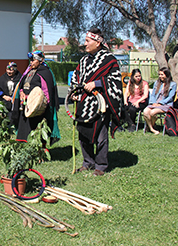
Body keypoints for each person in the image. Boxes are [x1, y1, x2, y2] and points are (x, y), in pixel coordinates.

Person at [69, 28, 123, 176]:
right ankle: (88, 162)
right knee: (83, 134)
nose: (85, 44)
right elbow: (76, 77)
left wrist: (97, 83)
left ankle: (101, 165)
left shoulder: (109, 60)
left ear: (98, 42)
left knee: (100, 136)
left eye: (88, 41)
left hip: (100, 104)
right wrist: (74, 92)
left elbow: (115, 81)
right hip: (83, 103)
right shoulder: (84, 60)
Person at [12, 50, 60, 144]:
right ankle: (24, 149)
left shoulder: (45, 73)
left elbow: (46, 92)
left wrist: (34, 99)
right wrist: (21, 92)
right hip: (25, 106)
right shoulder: (29, 71)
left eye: (33, 60)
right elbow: (22, 85)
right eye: (30, 60)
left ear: (41, 60)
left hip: (38, 108)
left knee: (36, 131)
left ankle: (38, 151)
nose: (31, 62)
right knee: (24, 129)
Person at [143, 67, 177, 135]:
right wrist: (153, 103)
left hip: (165, 104)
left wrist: (160, 103)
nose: (160, 76)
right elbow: (153, 95)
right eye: (159, 74)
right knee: (145, 111)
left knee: (153, 112)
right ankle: (152, 128)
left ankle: (150, 127)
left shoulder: (173, 84)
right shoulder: (157, 83)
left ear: (167, 75)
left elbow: (170, 97)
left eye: (162, 74)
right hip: (155, 103)